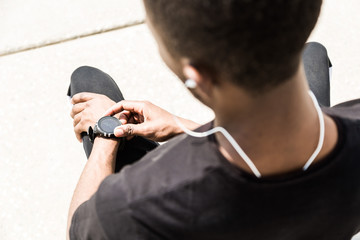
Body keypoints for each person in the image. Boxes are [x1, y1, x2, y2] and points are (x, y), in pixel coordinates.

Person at [67, 0, 360, 239]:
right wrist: (182, 126)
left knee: (87, 80)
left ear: (198, 77)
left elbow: (78, 232)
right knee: (313, 55)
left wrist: (106, 135)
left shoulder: (137, 205)